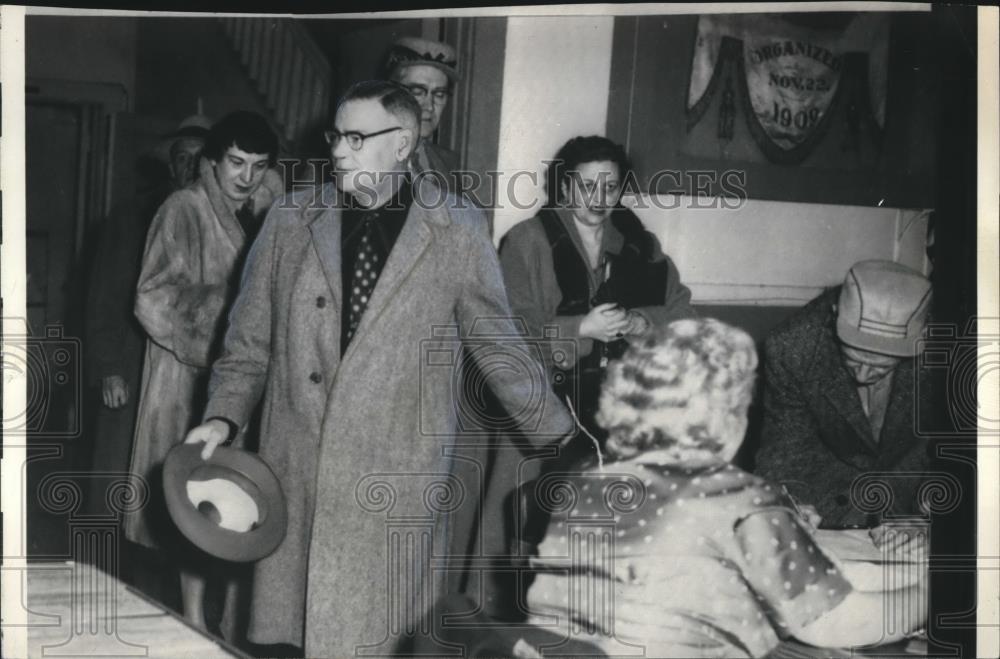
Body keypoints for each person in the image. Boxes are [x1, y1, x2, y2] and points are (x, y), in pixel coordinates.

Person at [182, 80, 574, 657]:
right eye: (336, 135)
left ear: (404, 143)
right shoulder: (293, 216)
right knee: (288, 638)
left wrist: (565, 442)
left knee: (375, 640)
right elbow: (248, 342)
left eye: (357, 137)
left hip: (395, 483)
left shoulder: (456, 229)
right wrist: (222, 418)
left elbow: (501, 347)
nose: (339, 150)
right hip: (298, 473)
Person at [524, 318, 928, 657]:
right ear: (727, 417)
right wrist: (933, 590)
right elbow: (842, 623)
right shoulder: (737, 502)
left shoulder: (586, 485)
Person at [124, 110, 283, 632]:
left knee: (240, 500)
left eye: (258, 165)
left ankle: (231, 619)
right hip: (187, 379)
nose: (247, 176)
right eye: (236, 162)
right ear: (212, 162)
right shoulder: (182, 209)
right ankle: (193, 620)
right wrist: (223, 317)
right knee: (196, 500)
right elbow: (150, 299)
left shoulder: (272, 214)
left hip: (247, 381)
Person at [499, 135, 695, 464]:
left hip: (622, 408)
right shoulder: (527, 240)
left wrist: (640, 322)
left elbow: (685, 315)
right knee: (541, 504)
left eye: (610, 188)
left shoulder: (640, 244)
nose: (599, 199)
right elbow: (507, 335)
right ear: (564, 187)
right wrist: (581, 329)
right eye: (587, 186)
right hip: (542, 409)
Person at [85, 115, 210, 516]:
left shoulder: (215, 217)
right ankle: (106, 567)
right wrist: (108, 368)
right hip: (132, 362)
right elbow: (105, 294)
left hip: (182, 370)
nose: (190, 167)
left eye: (199, 157)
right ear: (171, 165)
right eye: (182, 157)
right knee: (117, 477)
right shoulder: (135, 214)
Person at [754, 260, 934, 528]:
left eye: (880, 367)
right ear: (835, 315)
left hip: (916, 494)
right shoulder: (793, 346)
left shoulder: (955, 350)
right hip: (829, 498)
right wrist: (791, 502)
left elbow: (963, 447)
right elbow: (785, 446)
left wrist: (934, 521)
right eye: (853, 359)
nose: (861, 376)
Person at [384, 36, 461, 190]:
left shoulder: (447, 162)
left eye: (439, 94)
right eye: (418, 92)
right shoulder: (360, 155)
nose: (430, 106)